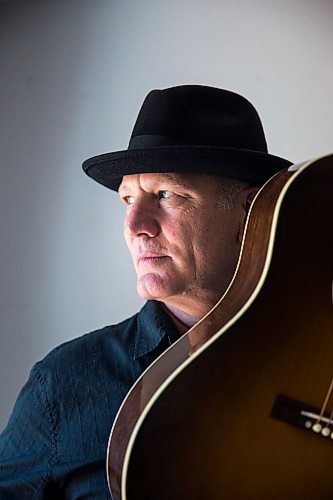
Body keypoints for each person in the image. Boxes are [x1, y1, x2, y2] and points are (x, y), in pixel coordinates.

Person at [0, 85, 292, 498]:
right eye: (127, 199)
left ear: (252, 208)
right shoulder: (63, 385)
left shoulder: (317, 362)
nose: (136, 223)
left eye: (166, 194)